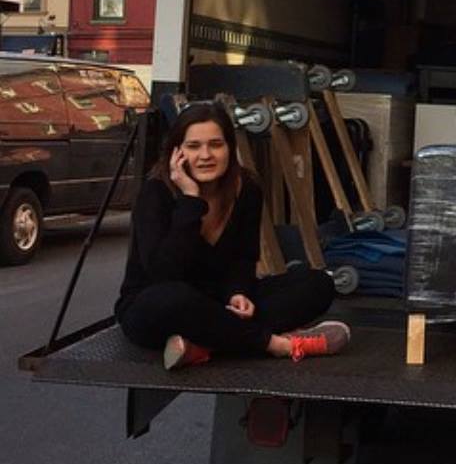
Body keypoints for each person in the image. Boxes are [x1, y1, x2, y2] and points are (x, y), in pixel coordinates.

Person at [116, 102, 350, 370]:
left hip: (217, 301)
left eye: (216, 144)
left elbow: (243, 258)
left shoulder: (246, 189)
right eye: (193, 146)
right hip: (158, 305)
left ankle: (202, 346)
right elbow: (163, 273)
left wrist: (238, 292)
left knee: (318, 283)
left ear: (230, 147)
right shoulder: (156, 192)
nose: (205, 155)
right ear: (177, 153)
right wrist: (190, 201)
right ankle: (275, 344)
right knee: (171, 298)